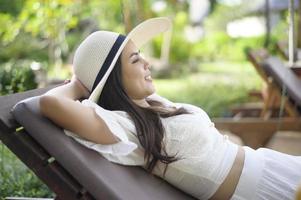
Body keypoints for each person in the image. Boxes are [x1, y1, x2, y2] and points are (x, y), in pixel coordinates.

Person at [39, 17, 301, 200]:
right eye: (135, 59)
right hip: (261, 190)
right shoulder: (124, 125)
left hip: (270, 165)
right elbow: (50, 103)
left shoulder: (153, 105)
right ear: (114, 80)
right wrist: (76, 84)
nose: (147, 62)